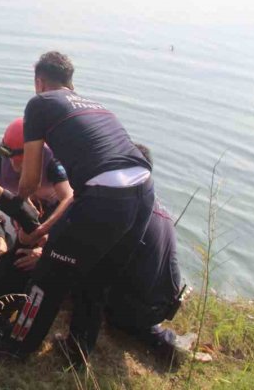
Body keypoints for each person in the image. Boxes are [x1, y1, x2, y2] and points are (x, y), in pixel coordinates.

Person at [0, 51, 155, 364]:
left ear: (39, 82)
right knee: (98, 277)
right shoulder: (99, 107)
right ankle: (78, 351)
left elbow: (28, 181)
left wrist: (18, 207)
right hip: (143, 191)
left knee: (49, 275)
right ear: (71, 81)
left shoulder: (40, 103)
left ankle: (15, 347)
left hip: (104, 197)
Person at [103, 144, 189, 367]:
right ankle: (153, 332)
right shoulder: (159, 207)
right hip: (162, 305)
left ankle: (81, 341)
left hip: (134, 307)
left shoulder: (122, 205)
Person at [0, 117, 73, 240]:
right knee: (22, 241)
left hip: (53, 211)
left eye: (20, 162)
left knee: (33, 243)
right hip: (20, 205)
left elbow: (68, 197)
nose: (13, 164)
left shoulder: (51, 158)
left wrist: (43, 231)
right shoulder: (1, 154)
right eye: (9, 157)